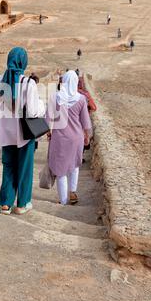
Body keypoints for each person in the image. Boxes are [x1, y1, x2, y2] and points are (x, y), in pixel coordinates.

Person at [0, 47, 45, 215]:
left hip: (5, 134)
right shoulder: (29, 83)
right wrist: (42, 105)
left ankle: (6, 204)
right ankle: (22, 204)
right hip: (24, 135)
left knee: (9, 167)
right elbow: (34, 112)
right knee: (25, 168)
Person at [47, 70, 92, 206]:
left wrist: (48, 133)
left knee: (61, 170)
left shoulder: (55, 97)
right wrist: (87, 136)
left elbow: (48, 119)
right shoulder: (81, 99)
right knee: (74, 165)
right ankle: (73, 192)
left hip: (60, 138)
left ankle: (63, 200)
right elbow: (86, 122)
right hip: (76, 138)